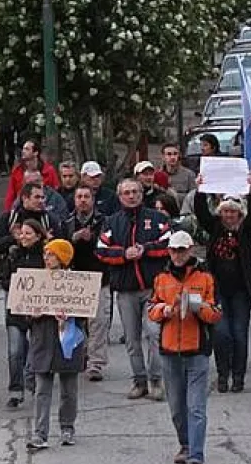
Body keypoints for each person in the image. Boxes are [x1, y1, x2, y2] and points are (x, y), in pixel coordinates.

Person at [148, 231, 222, 464]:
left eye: (182, 250)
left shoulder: (206, 277)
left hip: (197, 350)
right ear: (169, 251)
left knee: (196, 407)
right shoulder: (161, 278)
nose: (178, 255)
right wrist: (166, 310)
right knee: (177, 408)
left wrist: (198, 307)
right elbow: (151, 309)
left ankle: (195, 459)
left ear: (190, 250)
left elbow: (216, 313)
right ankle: (186, 444)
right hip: (169, 351)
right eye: (173, 250)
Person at [96, 178, 171, 401]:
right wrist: (123, 254)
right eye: (126, 192)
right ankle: (139, 381)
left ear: (141, 193)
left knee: (155, 334)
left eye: (135, 191)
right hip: (125, 289)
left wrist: (145, 250)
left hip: (152, 288)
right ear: (120, 197)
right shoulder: (111, 222)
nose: (131, 196)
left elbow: (168, 244)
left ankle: (156, 379)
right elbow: (101, 250)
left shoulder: (157, 219)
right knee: (131, 339)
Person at [193, 182, 251, 394]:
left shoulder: (245, 230)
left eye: (233, 211)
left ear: (239, 214)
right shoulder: (215, 227)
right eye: (225, 211)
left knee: (239, 333)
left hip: (241, 291)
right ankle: (223, 373)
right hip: (217, 290)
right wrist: (200, 189)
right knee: (221, 333)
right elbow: (201, 212)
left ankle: (238, 375)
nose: (229, 215)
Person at [27, 239, 86, 449]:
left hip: (68, 341)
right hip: (43, 341)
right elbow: (24, 310)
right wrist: (33, 315)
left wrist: (69, 317)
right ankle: (40, 433)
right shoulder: (37, 280)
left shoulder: (77, 282)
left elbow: (84, 312)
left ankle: (67, 428)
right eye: (45, 254)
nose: (46, 258)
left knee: (69, 390)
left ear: (61, 258)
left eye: (51, 254)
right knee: (42, 389)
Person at [0, 218, 48, 408]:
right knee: (15, 351)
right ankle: (16, 390)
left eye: (28, 233)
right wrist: (12, 283)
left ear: (38, 236)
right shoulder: (13, 254)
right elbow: (3, 277)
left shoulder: (46, 256)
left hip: (39, 313)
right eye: (21, 233)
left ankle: (33, 380)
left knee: (36, 350)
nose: (23, 237)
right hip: (16, 311)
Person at [64, 186, 111, 382]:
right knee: (75, 323)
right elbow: (59, 246)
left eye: (86, 197)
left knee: (98, 322)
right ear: (74, 200)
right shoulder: (66, 222)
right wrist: (73, 239)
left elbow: (109, 245)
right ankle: (80, 356)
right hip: (74, 278)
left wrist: (92, 238)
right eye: (79, 197)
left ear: (93, 200)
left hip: (99, 277)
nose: (83, 200)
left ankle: (96, 363)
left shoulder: (104, 221)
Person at [4, 138, 60, 210]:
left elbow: (56, 192)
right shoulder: (17, 171)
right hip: (21, 209)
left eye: (27, 149)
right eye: (23, 149)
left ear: (36, 152)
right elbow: (11, 195)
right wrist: (8, 213)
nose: (23, 151)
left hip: (45, 208)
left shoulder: (49, 170)